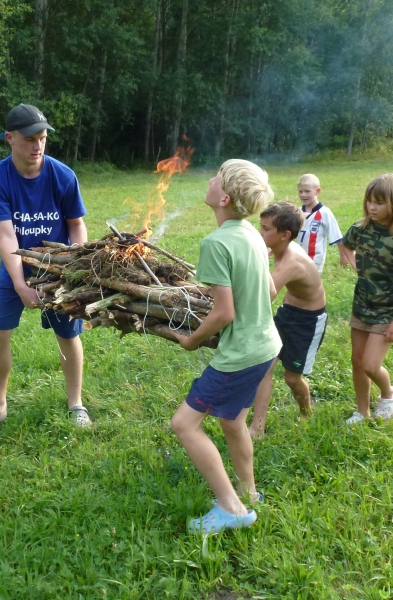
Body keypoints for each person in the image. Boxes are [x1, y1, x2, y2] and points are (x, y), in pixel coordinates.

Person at [171, 159, 281, 534]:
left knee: (184, 425)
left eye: (216, 178)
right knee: (232, 421)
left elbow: (224, 313)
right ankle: (249, 492)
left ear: (225, 198)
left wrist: (191, 340)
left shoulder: (216, 242)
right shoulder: (252, 233)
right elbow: (269, 289)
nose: (209, 179)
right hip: (267, 346)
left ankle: (230, 507)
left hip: (241, 355)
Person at [0, 103, 90, 435]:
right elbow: (6, 236)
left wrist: (76, 266)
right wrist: (21, 285)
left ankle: (76, 404)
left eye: (42, 138)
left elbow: (76, 224)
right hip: (16, 268)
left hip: (60, 270)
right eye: (30, 139)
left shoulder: (63, 176)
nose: (37, 146)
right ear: (10, 138)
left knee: (68, 336)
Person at [339, 174, 393, 425]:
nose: (372, 207)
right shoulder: (360, 228)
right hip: (362, 305)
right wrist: (356, 265)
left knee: (370, 365)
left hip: (389, 311)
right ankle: (362, 411)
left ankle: (388, 393)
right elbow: (345, 244)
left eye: (379, 202)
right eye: (369, 201)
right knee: (357, 361)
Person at [249, 200, 328, 439]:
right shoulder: (279, 247)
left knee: (292, 378)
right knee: (265, 365)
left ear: (284, 235)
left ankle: (306, 413)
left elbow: (264, 297)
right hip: (288, 311)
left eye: (265, 229)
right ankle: (257, 427)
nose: (260, 232)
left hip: (308, 321)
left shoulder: (290, 262)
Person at [295, 173, 343, 273]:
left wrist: (343, 255)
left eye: (307, 191)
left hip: (315, 260)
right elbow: (287, 233)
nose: (303, 195)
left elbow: (337, 236)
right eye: (300, 191)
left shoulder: (325, 213)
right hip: (298, 257)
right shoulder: (297, 212)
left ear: (317, 191)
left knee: (308, 281)